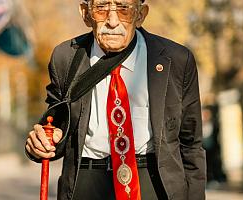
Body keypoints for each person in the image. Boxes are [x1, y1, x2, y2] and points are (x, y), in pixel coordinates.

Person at [25, 0, 206, 199]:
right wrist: (41, 143)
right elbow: (57, 123)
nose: (112, 21)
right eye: (101, 8)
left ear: (141, 14)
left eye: (123, 8)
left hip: (154, 181)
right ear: (86, 13)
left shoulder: (176, 59)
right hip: (86, 181)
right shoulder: (65, 58)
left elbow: (191, 144)